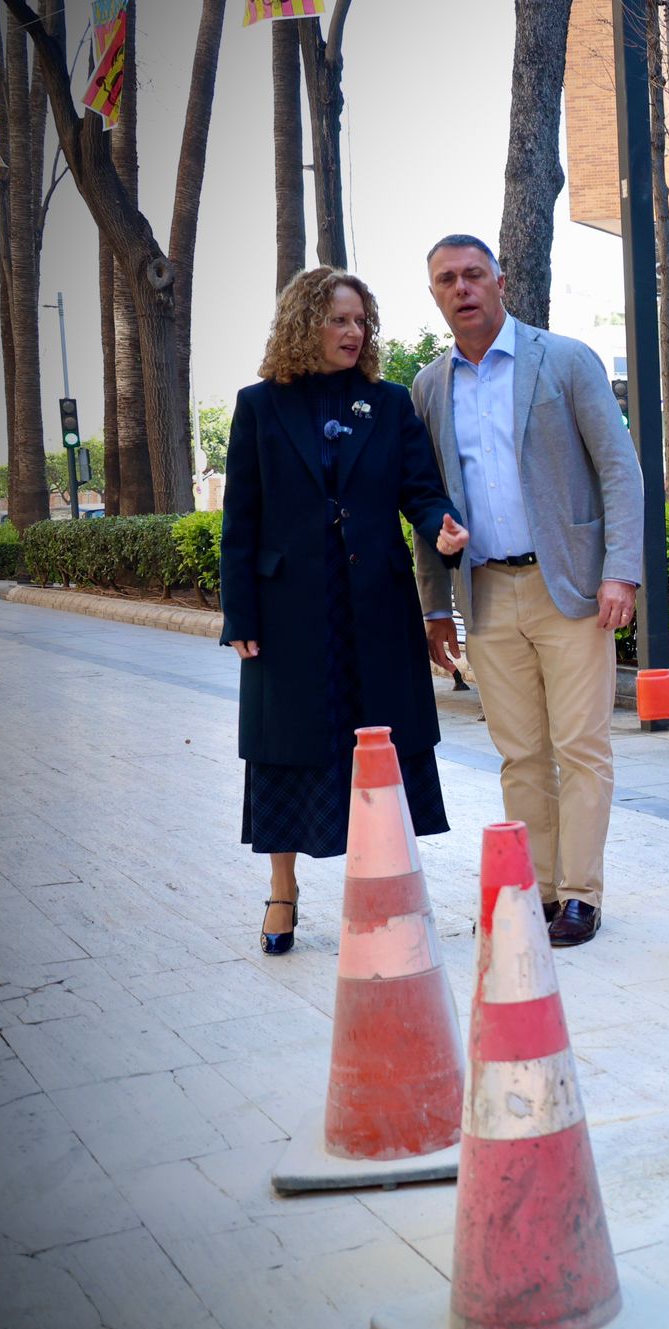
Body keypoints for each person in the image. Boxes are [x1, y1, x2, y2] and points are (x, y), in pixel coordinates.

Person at [220, 267, 469, 955]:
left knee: (384, 747)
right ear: (305, 324)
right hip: (287, 612)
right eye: (339, 319)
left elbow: (421, 492)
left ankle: (390, 888)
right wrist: (240, 615)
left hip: (376, 608)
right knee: (285, 748)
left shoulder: (387, 403)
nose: (354, 332)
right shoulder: (259, 406)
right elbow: (241, 520)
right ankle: (283, 890)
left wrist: (443, 527)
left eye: (361, 320)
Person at [411, 234, 644, 949]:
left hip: (568, 585)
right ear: (435, 294)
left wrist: (621, 571)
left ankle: (581, 895)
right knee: (520, 754)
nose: (462, 288)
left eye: (473, 274)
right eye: (447, 279)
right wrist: (434, 606)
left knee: (581, 747)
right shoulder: (429, 387)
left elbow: (619, 469)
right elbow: (425, 502)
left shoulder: (564, 360)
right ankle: (539, 892)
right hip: (484, 591)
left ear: (501, 282)